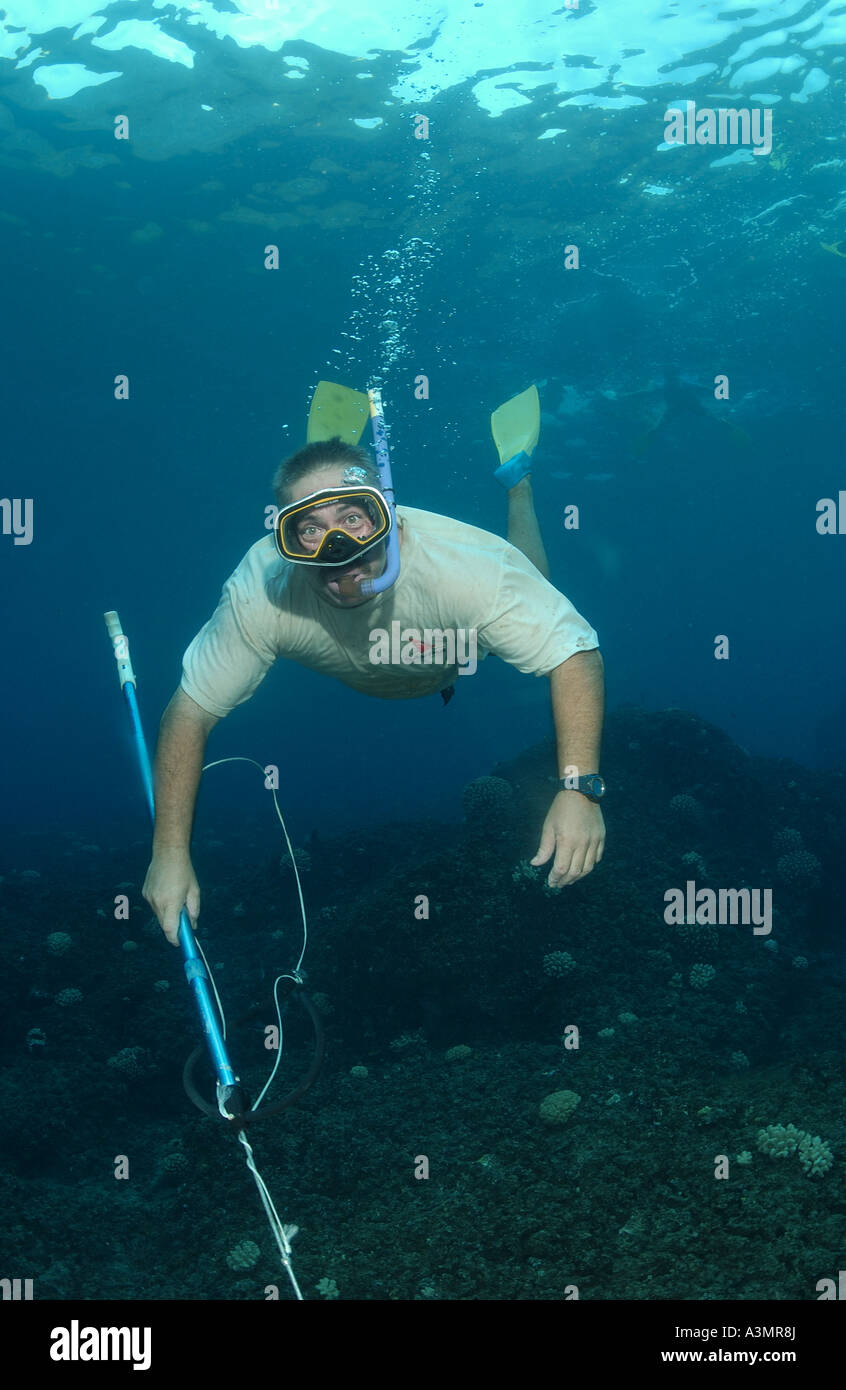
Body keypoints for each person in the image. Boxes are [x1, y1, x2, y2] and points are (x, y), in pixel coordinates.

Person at [143, 436, 605, 946]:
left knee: (533, 577)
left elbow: (574, 653)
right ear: (288, 543)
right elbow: (189, 712)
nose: (336, 548)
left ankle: (518, 482)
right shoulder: (263, 593)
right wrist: (168, 852)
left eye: (353, 520)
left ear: (387, 513)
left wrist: (579, 790)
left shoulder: (472, 570)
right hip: (384, 667)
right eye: (310, 529)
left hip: (461, 651)